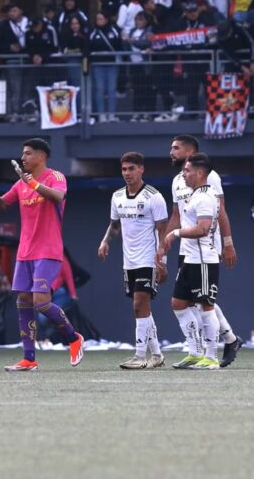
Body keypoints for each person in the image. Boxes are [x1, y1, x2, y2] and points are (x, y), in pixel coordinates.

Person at [0, 138, 85, 371]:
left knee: (41, 302)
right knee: (23, 301)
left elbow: (58, 197)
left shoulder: (55, 177)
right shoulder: (20, 185)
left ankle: (73, 338)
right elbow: (0, 204)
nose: (23, 158)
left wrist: (34, 184)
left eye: (28, 154)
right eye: (23, 154)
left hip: (48, 250)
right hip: (25, 252)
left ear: (41, 156)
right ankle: (29, 358)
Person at [165, 136, 242, 368]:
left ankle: (212, 353)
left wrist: (227, 243)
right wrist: (163, 248)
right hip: (187, 251)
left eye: (176, 148)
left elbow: (219, 214)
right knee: (182, 302)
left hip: (204, 250)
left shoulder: (210, 180)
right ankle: (203, 348)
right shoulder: (178, 181)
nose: (171, 152)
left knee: (204, 301)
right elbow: (177, 216)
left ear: (190, 153)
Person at [98, 152, 167, 369]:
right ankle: (156, 354)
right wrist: (105, 241)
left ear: (141, 169)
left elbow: (162, 231)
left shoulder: (153, 197)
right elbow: (115, 225)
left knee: (139, 305)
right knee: (142, 307)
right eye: (124, 169)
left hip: (149, 259)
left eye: (131, 169)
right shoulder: (117, 196)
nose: (127, 173)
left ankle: (139, 356)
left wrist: (162, 260)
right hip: (129, 262)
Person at [156, 153, 222, 370]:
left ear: (200, 173)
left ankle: (211, 357)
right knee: (178, 303)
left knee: (206, 306)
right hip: (191, 258)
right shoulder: (195, 195)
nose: (184, 174)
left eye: (187, 170)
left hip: (203, 260)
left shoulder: (205, 197)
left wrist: (175, 234)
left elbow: (203, 229)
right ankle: (195, 352)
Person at [89, 11, 122, 123]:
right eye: (97, 19)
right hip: (98, 65)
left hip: (111, 65)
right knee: (100, 89)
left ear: (106, 20)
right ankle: (101, 115)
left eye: (101, 18)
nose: (99, 21)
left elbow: (119, 46)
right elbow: (89, 46)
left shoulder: (114, 31)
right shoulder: (93, 32)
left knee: (111, 89)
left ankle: (111, 114)